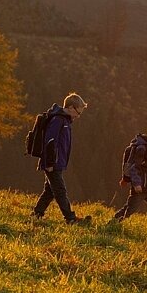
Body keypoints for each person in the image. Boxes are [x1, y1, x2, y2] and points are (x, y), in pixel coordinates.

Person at [31, 93, 89, 224]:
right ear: (70, 108)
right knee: (60, 191)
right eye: (78, 113)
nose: (78, 116)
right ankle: (70, 218)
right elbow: (50, 142)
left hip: (56, 162)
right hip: (53, 163)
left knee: (50, 191)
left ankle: (36, 214)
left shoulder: (64, 121)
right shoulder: (58, 120)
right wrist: (50, 162)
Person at [112, 121, 147, 230]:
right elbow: (134, 167)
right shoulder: (142, 148)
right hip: (140, 188)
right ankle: (112, 224)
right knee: (129, 209)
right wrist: (137, 184)